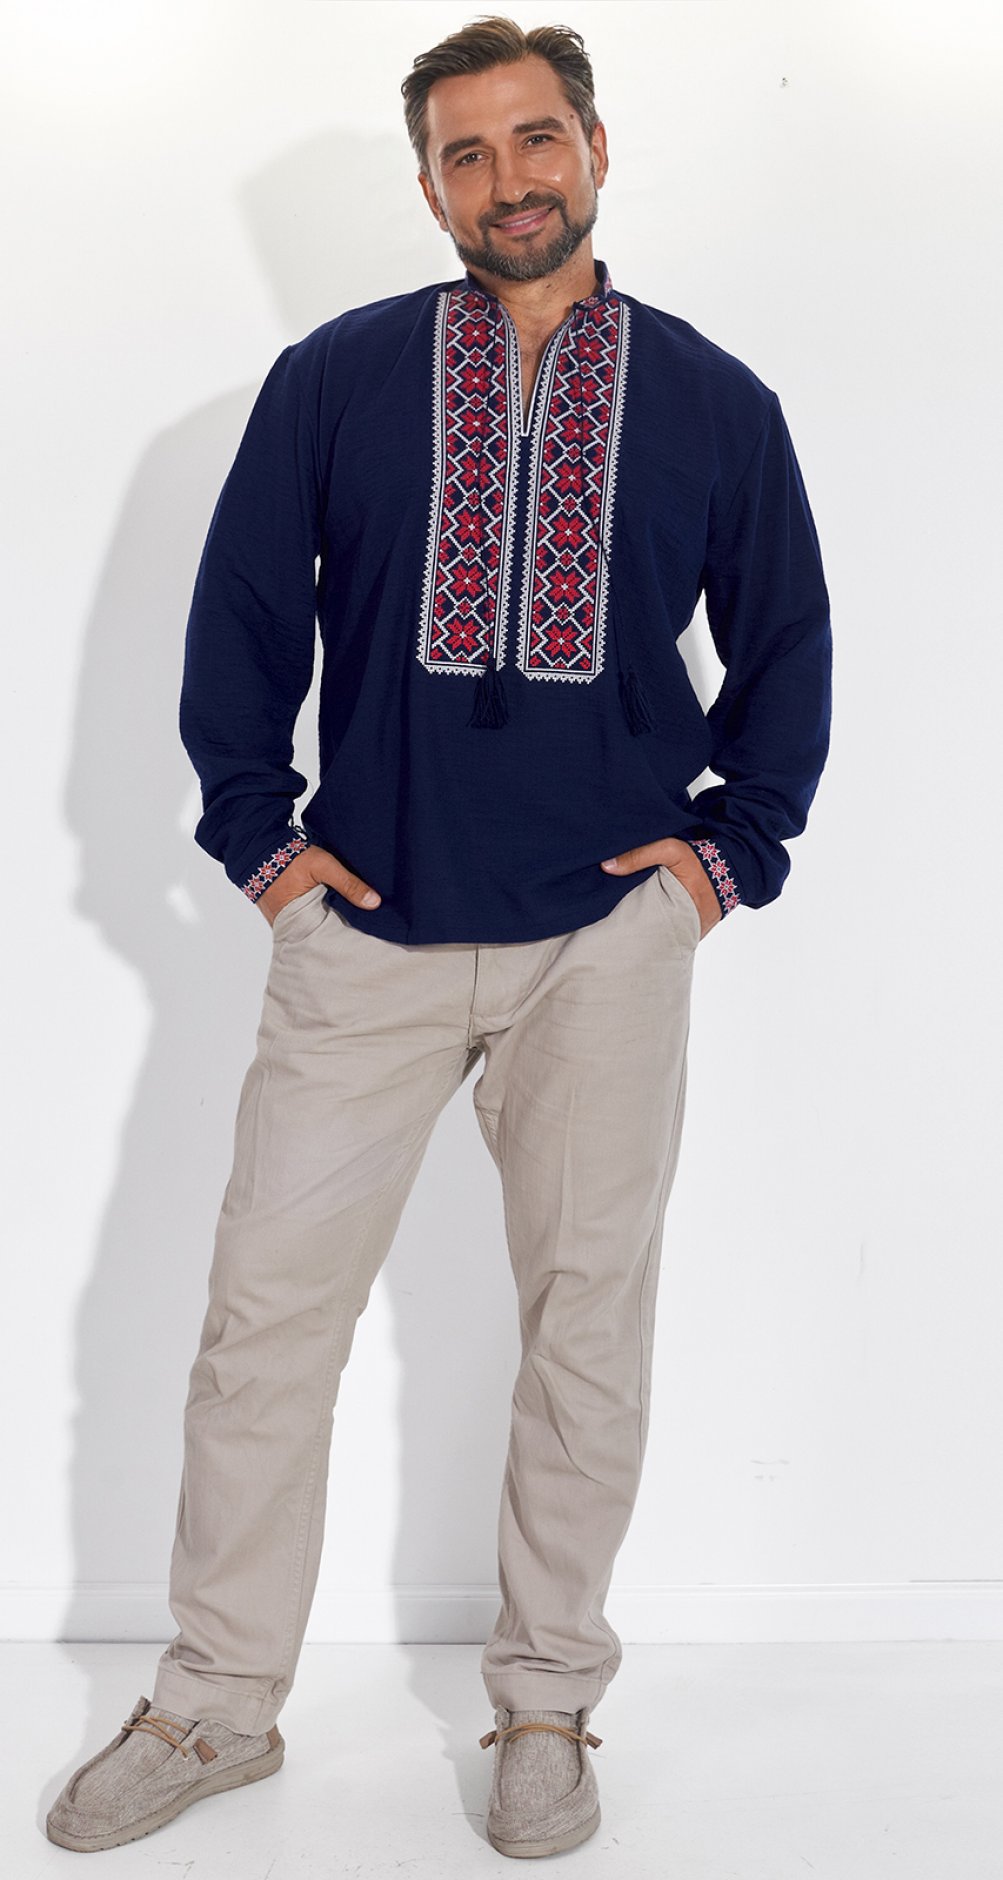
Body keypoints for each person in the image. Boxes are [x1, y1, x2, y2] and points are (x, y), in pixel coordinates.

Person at [46, 14, 831, 1862]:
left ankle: (546, 1704)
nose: (509, 180)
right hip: (369, 930)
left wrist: (723, 861)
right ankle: (216, 1702)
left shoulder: (716, 402)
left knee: (586, 1336)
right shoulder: (336, 378)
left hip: (604, 944)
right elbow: (242, 619)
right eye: (466, 154)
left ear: (598, 150)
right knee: (263, 1328)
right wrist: (263, 842)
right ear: (428, 187)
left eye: (536, 139)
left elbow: (787, 647)